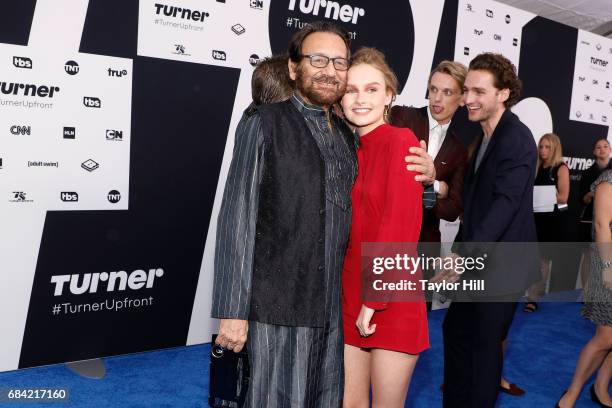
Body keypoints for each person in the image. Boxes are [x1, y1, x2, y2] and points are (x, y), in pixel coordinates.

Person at [210, 21, 435, 407]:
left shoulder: (355, 136)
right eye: (318, 60)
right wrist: (232, 311)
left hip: (338, 306)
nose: (330, 71)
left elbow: (390, 210)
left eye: (339, 62)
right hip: (281, 307)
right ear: (294, 68)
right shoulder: (266, 122)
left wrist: (428, 182)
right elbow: (237, 218)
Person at [431, 52, 538, 408]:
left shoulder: (516, 138)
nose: (468, 100)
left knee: (483, 345)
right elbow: (475, 212)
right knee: (456, 330)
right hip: (479, 258)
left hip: (503, 264)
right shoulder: (483, 139)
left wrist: (463, 258)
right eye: (467, 91)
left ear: (503, 94)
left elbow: (504, 206)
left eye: (478, 91)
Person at [340, 47, 428, 408]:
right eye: (351, 89)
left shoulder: (401, 142)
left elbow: (399, 228)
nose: (361, 99)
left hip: (390, 294)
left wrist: (373, 301)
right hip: (348, 292)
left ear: (390, 94)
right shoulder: (344, 148)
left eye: (372, 89)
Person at [389, 60, 468, 244]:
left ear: (462, 99)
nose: (437, 98)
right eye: (433, 89)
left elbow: (452, 210)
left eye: (447, 92)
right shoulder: (402, 117)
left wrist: (434, 185)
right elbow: (394, 177)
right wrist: (441, 188)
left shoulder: (459, 150)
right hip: (389, 235)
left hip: (426, 242)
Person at [557, 169, 612, 408]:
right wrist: (608, 267)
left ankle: (600, 387)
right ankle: (572, 392)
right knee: (605, 338)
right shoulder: (608, 180)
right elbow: (601, 225)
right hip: (608, 264)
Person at [524, 133, 570, 312]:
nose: (543, 150)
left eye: (547, 147)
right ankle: (527, 292)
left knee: (542, 261)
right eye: (541, 146)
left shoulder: (561, 167)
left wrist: (542, 196)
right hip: (533, 218)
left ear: (555, 148)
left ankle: (534, 297)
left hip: (550, 221)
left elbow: (564, 198)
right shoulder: (536, 167)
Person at [578, 138, 611, 285]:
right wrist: (591, 195)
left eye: (605, 146)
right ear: (593, 152)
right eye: (598, 147)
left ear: (610, 149)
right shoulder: (587, 174)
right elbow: (582, 200)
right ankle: (586, 293)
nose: (602, 149)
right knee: (589, 256)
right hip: (590, 220)